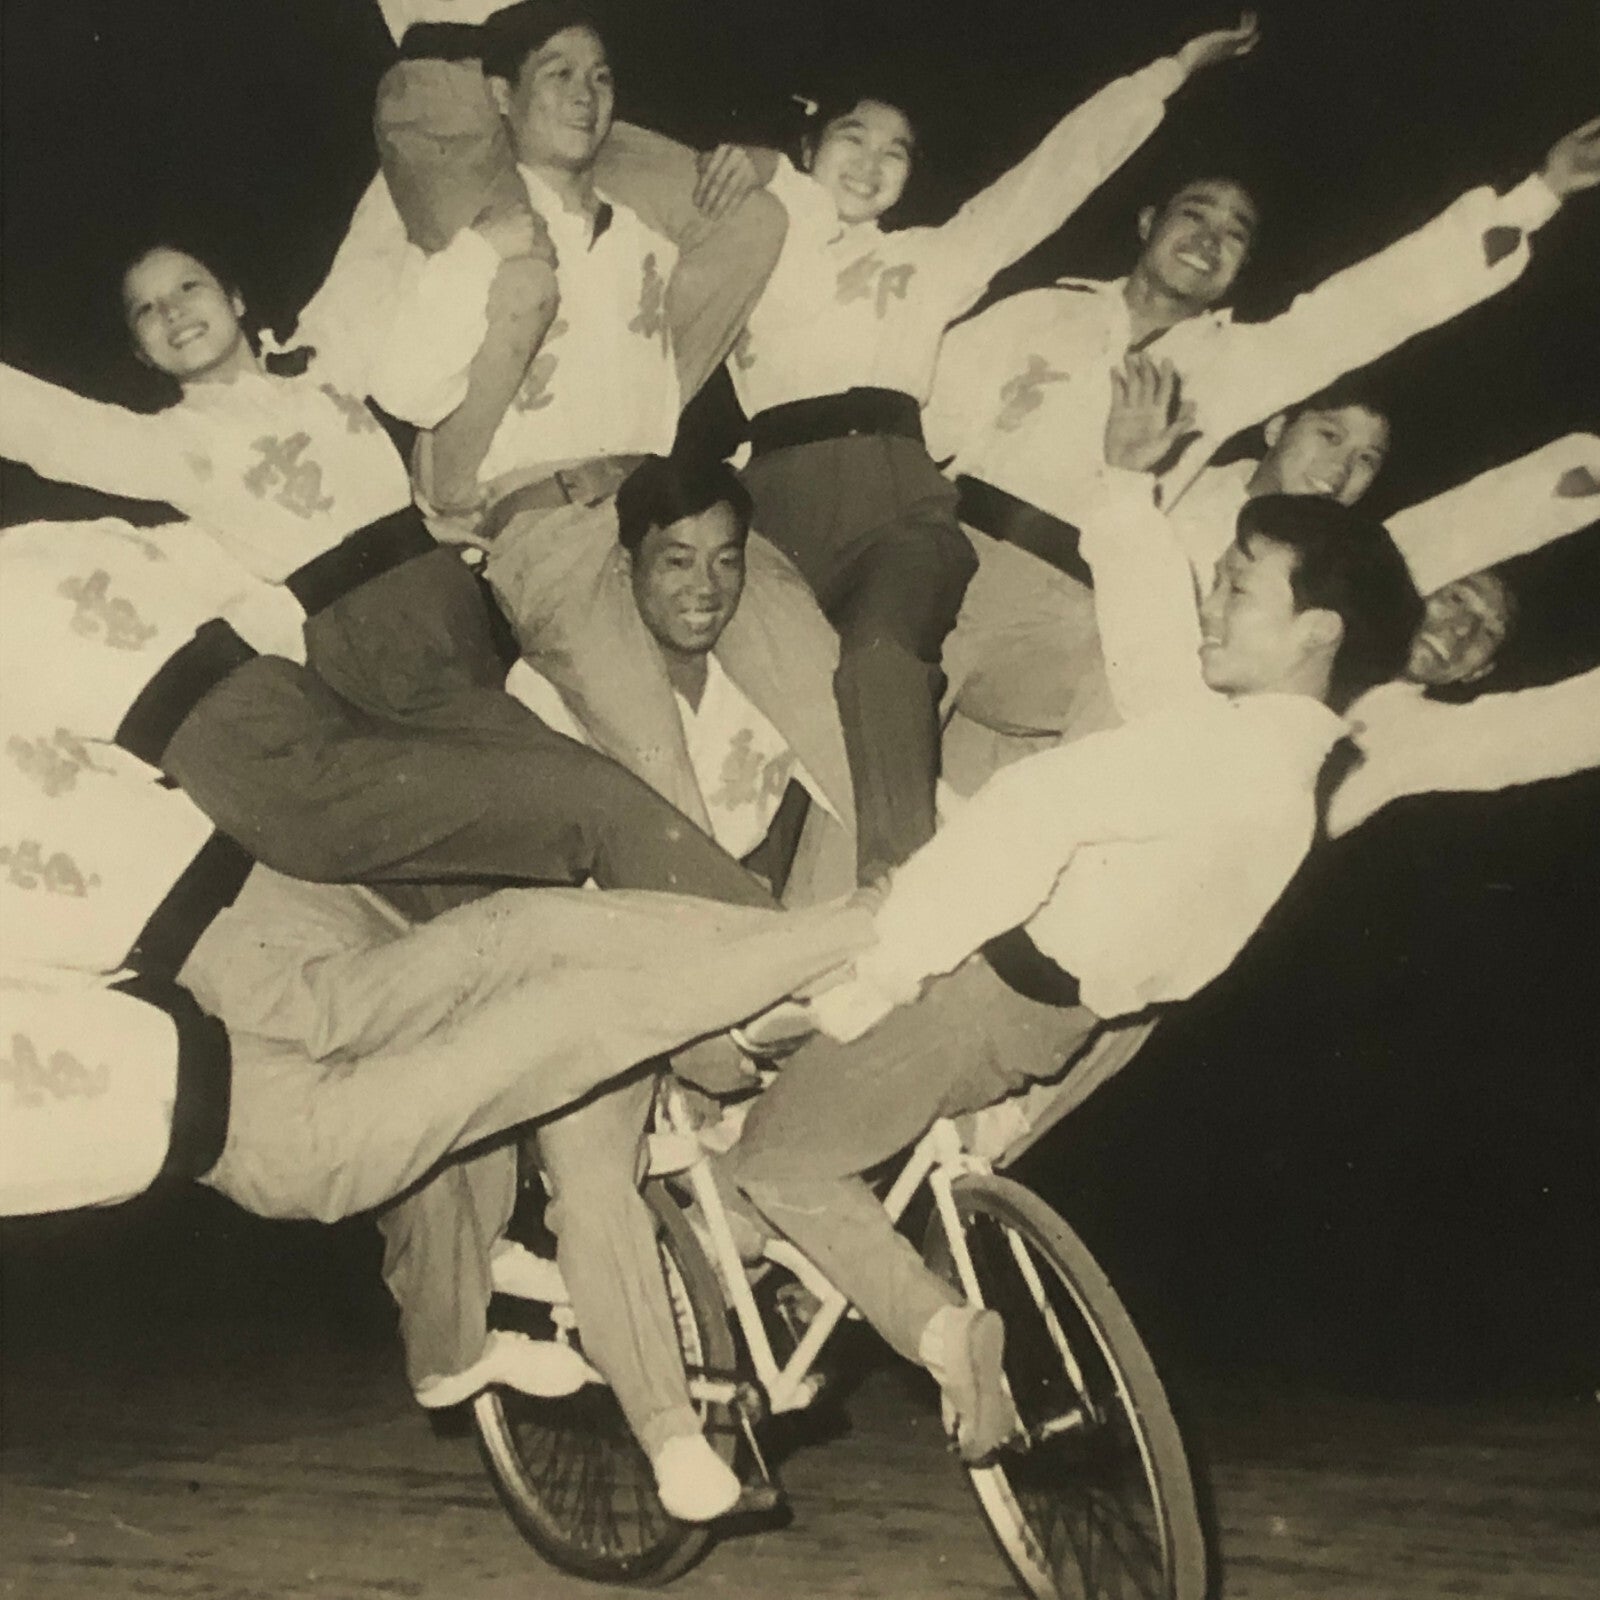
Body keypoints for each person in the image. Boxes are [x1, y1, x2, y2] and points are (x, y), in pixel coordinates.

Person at [716, 478, 1424, 1461]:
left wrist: (884, 969)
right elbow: (1150, 675)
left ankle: (942, 1331)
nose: (1209, 607)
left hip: (969, 994)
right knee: (817, 1110)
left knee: (775, 1159)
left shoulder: (1221, 757)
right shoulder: (1282, 777)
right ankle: (813, 1286)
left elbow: (1034, 811)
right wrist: (1127, 496)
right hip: (1049, 1025)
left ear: (1315, 632)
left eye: (1235, 588)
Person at [719, 14, 1261, 879]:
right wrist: (759, 168)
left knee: (882, 674)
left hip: (891, 485)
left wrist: (1166, 73)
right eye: (851, 139)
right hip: (771, 493)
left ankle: (893, 891)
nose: (869, 163)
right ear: (810, 144)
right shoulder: (747, 234)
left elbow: (1052, 178)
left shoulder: (934, 262)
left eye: (895, 153)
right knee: (749, 727)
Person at [930, 112, 1600, 756]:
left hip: (1068, 616)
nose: (1209, 240)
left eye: (1236, 234)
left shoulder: (1230, 366)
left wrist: (1537, 195)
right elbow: (921, 421)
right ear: (1148, 223)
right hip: (952, 552)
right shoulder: (1041, 310)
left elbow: (1371, 305)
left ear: (1242, 267)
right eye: (1194, 215)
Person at [508, 454, 857, 902]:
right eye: (677, 562)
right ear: (625, 565)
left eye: (726, 561)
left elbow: (853, 777)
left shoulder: (764, 675)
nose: (706, 587)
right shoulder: (551, 686)